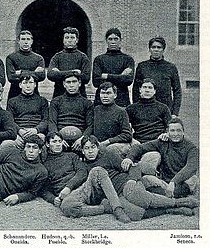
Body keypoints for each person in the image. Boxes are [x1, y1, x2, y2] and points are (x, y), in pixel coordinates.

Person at [60, 136, 198, 222]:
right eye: (86, 148)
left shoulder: (108, 155)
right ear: (82, 151)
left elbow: (134, 167)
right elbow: (79, 181)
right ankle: (172, 209)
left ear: (98, 148)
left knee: (138, 197)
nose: (90, 151)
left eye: (93, 147)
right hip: (114, 196)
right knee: (135, 214)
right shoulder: (84, 166)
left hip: (126, 184)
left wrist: (132, 180)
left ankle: (178, 202)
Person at [122, 117, 199, 200]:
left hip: (181, 181)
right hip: (164, 181)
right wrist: (129, 158)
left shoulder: (192, 148)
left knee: (193, 179)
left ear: (183, 132)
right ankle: (172, 195)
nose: (175, 134)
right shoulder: (163, 142)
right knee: (146, 178)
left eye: (178, 130)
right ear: (167, 132)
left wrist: (174, 181)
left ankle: (165, 195)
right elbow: (139, 147)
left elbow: (191, 167)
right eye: (172, 131)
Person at [132, 36, 182, 117]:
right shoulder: (142, 66)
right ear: (149, 49)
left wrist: (175, 113)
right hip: (145, 108)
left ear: (163, 49)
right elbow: (136, 89)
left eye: (159, 47)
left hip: (166, 108)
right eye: (153, 47)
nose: (156, 50)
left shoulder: (171, 67)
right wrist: (136, 109)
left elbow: (177, 91)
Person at [49, 72, 93, 153]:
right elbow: (52, 122)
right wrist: (58, 139)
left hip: (80, 140)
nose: (71, 85)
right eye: (68, 82)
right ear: (64, 84)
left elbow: (90, 125)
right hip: (60, 139)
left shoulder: (87, 103)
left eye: (74, 82)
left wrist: (83, 138)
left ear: (79, 83)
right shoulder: (56, 101)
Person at [39, 132, 87, 207]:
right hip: (67, 196)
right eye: (54, 142)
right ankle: (103, 208)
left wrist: (69, 187)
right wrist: (53, 199)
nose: (58, 144)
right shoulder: (45, 165)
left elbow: (82, 172)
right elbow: (44, 190)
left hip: (83, 188)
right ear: (47, 144)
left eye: (60, 141)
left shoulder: (72, 156)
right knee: (67, 207)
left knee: (97, 172)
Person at [92, 28, 135, 107]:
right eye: (110, 39)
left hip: (121, 101)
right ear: (106, 40)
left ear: (120, 40)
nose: (113, 42)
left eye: (116, 39)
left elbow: (128, 80)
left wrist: (106, 76)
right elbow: (96, 82)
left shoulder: (128, 59)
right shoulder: (99, 59)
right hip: (101, 102)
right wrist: (120, 76)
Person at [6, 72, 49, 148]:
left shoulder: (42, 101)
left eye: (31, 82)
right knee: (7, 144)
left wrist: (36, 129)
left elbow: (45, 120)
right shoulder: (12, 101)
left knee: (41, 139)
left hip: (36, 132)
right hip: (19, 132)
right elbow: (9, 121)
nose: (28, 86)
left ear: (35, 85)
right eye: (25, 83)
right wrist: (18, 131)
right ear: (20, 85)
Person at [47, 27, 91, 98]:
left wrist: (59, 73)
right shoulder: (57, 57)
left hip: (79, 97)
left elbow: (86, 78)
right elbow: (50, 75)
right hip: (59, 96)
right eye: (67, 37)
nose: (69, 40)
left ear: (77, 40)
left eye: (72, 38)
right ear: (63, 40)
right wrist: (74, 72)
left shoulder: (83, 57)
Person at [126, 78, 171, 143]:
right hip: (138, 142)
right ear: (140, 90)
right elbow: (125, 127)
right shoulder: (131, 108)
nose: (147, 90)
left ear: (154, 91)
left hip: (158, 141)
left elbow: (170, 126)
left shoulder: (163, 108)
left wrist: (166, 134)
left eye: (150, 88)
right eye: (144, 87)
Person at [93, 82, 132, 158]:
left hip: (113, 145)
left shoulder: (121, 112)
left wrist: (109, 141)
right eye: (102, 93)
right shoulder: (96, 110)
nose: (105, 96)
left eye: (108, 93)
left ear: (115, 95)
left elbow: (127, 135)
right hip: (98, 144)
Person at [6, 30, 45, 100]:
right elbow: (11, 77)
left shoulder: (38, 58)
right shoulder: (11, 57)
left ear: (32, 41)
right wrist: (34, 73)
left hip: (34, 95)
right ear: (18, 41)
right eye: (23, 39)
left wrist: (20, 72)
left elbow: (42, 76)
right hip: (14, 95)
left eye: (28, 39)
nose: (26, 42)